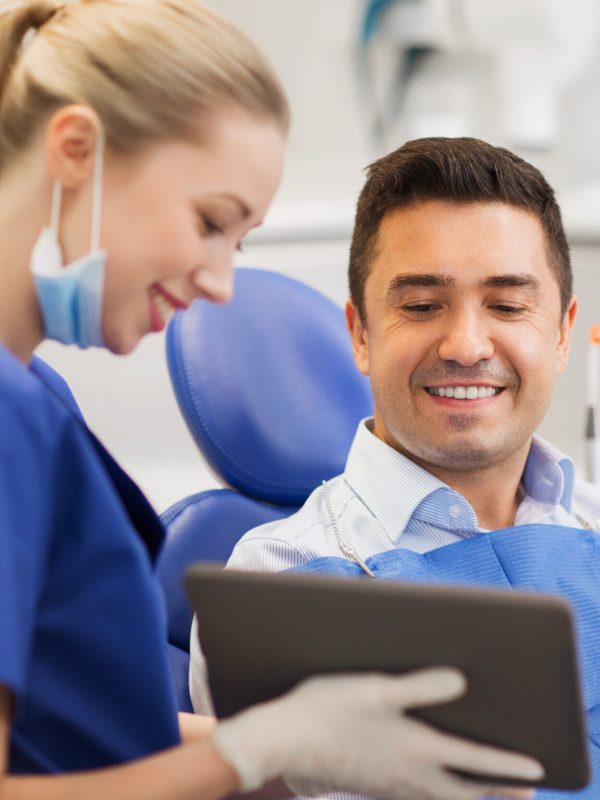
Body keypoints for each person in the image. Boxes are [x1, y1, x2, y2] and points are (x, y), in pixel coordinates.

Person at [0, 2, 545, 799]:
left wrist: (306, 742)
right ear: (76, 149)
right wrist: (248, 753)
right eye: (209, 221)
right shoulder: (11, 416)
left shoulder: (35, 397)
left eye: (241, 241)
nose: (222, 283)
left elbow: (77, 731)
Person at [189, 138, 600, 796]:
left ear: (560, 335)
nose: (466, 345)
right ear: (359, 334)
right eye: (420, 305)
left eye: (507, 304)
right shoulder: (284, 578)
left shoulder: (590, 522)